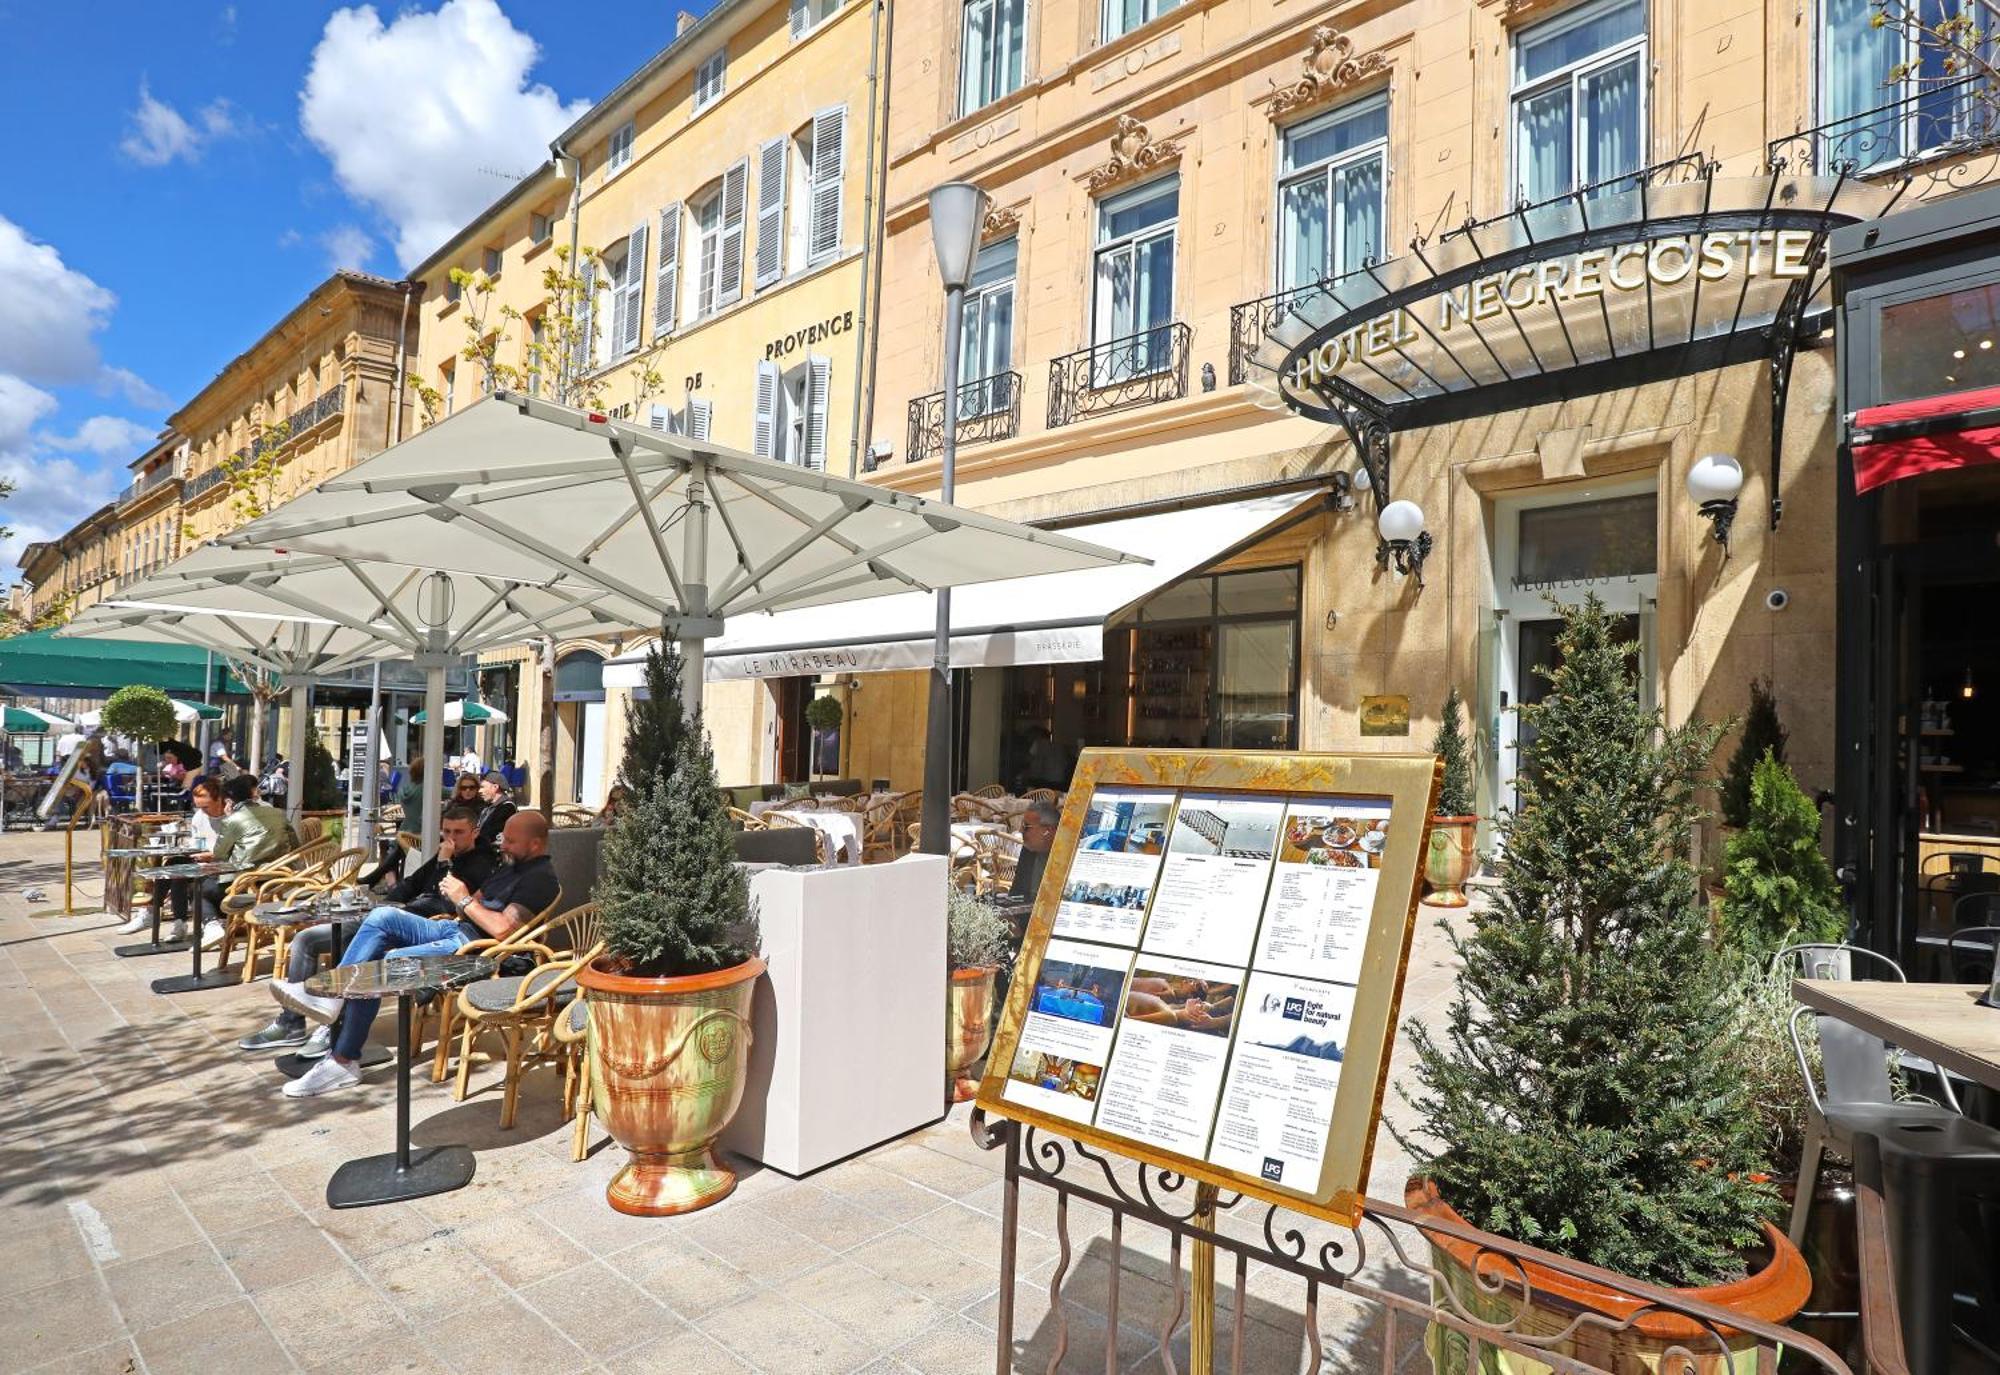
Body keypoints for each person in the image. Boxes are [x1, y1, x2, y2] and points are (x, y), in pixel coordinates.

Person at [274, 810, 559, 1097]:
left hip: (480, 949)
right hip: (455, 929)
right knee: (382, 916)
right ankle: (331, 1002)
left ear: (535, 845)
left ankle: (343, 1058)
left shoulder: (539, 878)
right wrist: (458, 896)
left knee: (384, 962)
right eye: (503, 839)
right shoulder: (510, 866)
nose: (503, 846)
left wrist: (464, 898)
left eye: (510, 841)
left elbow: (502, 930)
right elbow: (476, 905)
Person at [238, 803, 499, 1055]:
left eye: (458, 832)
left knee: (356, 955)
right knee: (305, 939)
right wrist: (385, 903)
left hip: (422, 925)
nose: (450, 837)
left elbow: (449, 904)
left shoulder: (481, 862)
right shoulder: (446, 854)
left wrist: (444, 864)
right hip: (394, 916)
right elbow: (411, 884)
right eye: (447, 831)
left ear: (475, 832)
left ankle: (332, 1026)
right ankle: (291, 1023)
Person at [187, 773, 296, 950]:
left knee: (200, 886)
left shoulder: (232, 820)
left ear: (229, 801)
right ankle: (224, 927)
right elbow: (295, 845)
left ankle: (212, 926)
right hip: (279, 880)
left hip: (246, 881)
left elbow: (220, 854)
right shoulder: (277, 812)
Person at [119, 773, 224, 937]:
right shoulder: (199, 817)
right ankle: (164, 916)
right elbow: (197, 842)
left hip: (221, 864)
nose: (203, 811)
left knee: (177, 873)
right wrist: (193, 851)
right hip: (202, 859)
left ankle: (171, 920)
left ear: (219, 800)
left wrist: (211, 855)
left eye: (206, 807)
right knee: (172, 866)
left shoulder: (231, 819)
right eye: (199, 807)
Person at [1009, 798, 1060, 902]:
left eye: (1026, 826)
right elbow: (1016, 891)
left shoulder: (1066, 856)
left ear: (1048, 831)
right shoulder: (1029, 850)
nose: (1020, 830)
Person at [474, 770, 516, 848]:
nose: (479, 791)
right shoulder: (487, 806)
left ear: (495, 787)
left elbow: (492, 836)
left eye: (483, 787)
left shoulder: (507, 808)